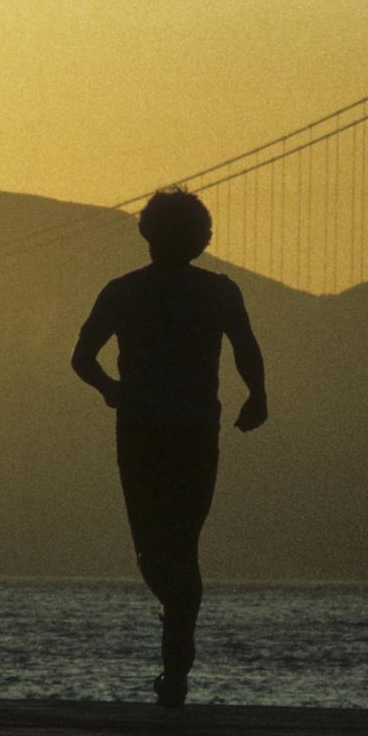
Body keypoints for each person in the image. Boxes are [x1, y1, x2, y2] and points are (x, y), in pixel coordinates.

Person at [72, 188, 267, 709]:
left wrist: (111, 389)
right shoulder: (220, 292)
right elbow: (246, 349)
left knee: (154, 546)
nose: (207, 236)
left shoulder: (123, 291)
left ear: (148, 235)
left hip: (141, 430)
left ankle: (175, 657)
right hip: (195, 430)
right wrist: (257, 397)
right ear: (198, 238)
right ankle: (178, 649)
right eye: (205, 229)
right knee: (182, 543)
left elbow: (82, 358)